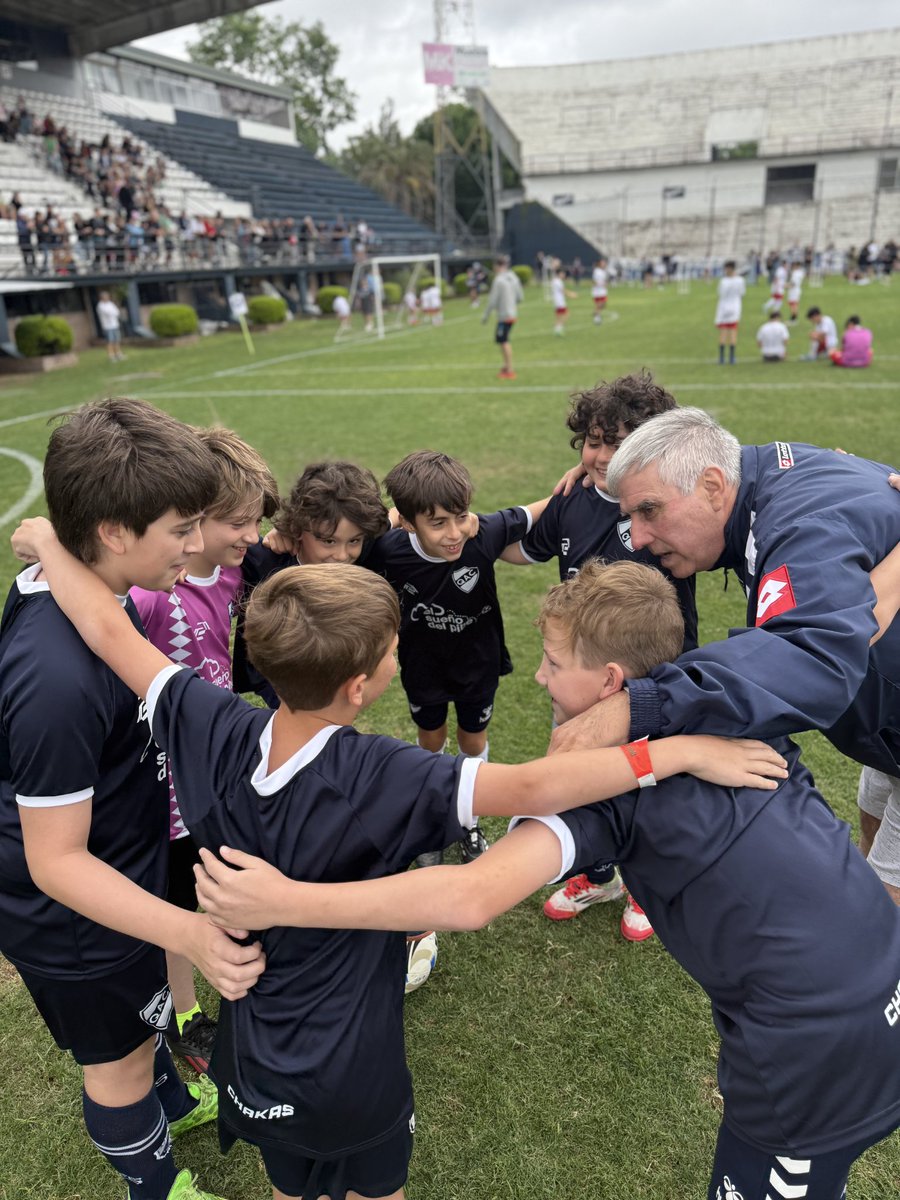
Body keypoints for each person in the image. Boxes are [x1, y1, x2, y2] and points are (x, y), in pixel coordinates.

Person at [4, 536, 786, 1200]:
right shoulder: (382, 774)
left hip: (255, 1059)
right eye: (391, 650)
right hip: (349, 1071)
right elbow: (533, 788)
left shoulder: (204, 721)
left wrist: (47, 545)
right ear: (362, 685)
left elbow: (105, 628)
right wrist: (676, 751)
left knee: (289, 1185)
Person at [186, 560, 900, 1200]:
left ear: (611, 683)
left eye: (553, 663)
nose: (537, 678)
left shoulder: (607, 795)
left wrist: (285, 901)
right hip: (877, 970)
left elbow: (470, 895)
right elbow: (856, 612)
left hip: (814, 1042)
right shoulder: (730, 696)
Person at [0, 399, 265, 1200]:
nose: (196, 543)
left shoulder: (95, 581)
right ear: (114, 531)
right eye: (182, 528)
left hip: (123, 873)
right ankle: (154, 1188)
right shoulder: (55, 679)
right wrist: (189, 930)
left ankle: (173, 1102)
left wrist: (49, 539)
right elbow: (55, 862)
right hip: (78, 919)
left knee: (146, 1021)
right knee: (115, 1064)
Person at [554, 405, 900, 905]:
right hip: (887, 728)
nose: (640, 538)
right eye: (630, 516)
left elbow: (812, 656)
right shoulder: (763, 479)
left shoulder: (803, 522)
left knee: (881, 914)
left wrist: (642, 704)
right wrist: (596, 471)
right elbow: (686, 446)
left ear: (714, 486)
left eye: (648, 510)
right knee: (874, 807)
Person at [499, 371, 698, 937]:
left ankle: (645, 885)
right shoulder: (573, 500)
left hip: (653, 681)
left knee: (646, 783)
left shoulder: (667, 504)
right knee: (582, 775)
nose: (604, 456)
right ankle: (601, 872)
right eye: (594, 441)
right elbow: (521, 547)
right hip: (582, 680)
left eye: (621, 443)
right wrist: (461, 533)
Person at [130, 428, 279, 1075]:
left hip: (218, 766)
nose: (251, 535)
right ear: (192, 519)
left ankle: (249, 983)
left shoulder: (236, 569)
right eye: (237, 522)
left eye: (256, 521)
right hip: (161, 781)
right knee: (172, 905)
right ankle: (187, 1016)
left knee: (228, 879)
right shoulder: (149, 595)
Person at [366, 450, 551, 863]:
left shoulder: (482, 534)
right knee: (430, 741)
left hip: (478, 666)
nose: (454, 533)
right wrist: (390, 519)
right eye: (437, 523)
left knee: (473, 741)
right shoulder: (387, 551)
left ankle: (468, 821)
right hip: (422, 667)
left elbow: (534, 512)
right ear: (409, 522)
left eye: (461, 516)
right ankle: (433, 816)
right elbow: (344, 546)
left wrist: (579, 477)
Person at [232, 459, 391, 709]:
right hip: (276, 677)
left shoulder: (366, 544)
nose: (342, 555)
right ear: (298, 528)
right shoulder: (263, 560)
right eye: (328, 541)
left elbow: (396, 516)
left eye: (354, 541)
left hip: (332, 676)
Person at [482, 254, 524, 380]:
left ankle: (510, 370)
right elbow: (520, 297)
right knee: (503, 340)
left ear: (496, 266)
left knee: (504, 341)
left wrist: (486, 315)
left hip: (504, 315)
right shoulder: (513, 277)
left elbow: (492, 300)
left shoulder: (498, 280)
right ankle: (506, 366)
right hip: (512, 313)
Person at [714, 260, 746, 365]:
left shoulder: (724, 281)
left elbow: (720, 293)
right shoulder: (740, 280)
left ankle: (724, 357)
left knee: (728, 332)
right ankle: (729, 357)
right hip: (734, 307)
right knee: (729, 332)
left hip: (725, 307)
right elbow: (742, 293)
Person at [96, 290, 125, 362]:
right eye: (105, 296)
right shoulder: (100, 305)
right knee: (110, 342)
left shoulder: (110, 304)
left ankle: (118, 354)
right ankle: (111, 356)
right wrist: (113, 312)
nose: (107, 297)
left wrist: (113, 312)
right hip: (107, 327)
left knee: (116, 340)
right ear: (102, 297)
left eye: (107, 296)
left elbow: (117, 312)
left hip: (115, 325)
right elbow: (108, 313)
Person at [550, 267, 576, 335]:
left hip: (557, 301)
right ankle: (558, 327)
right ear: (559, 274)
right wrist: (571, 294)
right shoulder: (558, 281)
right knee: (566, 314)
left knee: (559, 316)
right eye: (562, 273)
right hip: (559, 301)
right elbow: (563, 291)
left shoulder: (555, 281)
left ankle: (557, 329)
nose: (564, 275)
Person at [590, 256, 608, 324]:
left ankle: (596, 313)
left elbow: (604, 280)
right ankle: (597, 318)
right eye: (602, 263)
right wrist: (601, 284)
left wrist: (605, 283)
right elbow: (594, 281)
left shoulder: (603, 271)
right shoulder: (596, 271)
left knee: (603, 304)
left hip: (603, 290)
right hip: (597, 291)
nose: (604, 264)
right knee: (599, 304)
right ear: (599, 264)